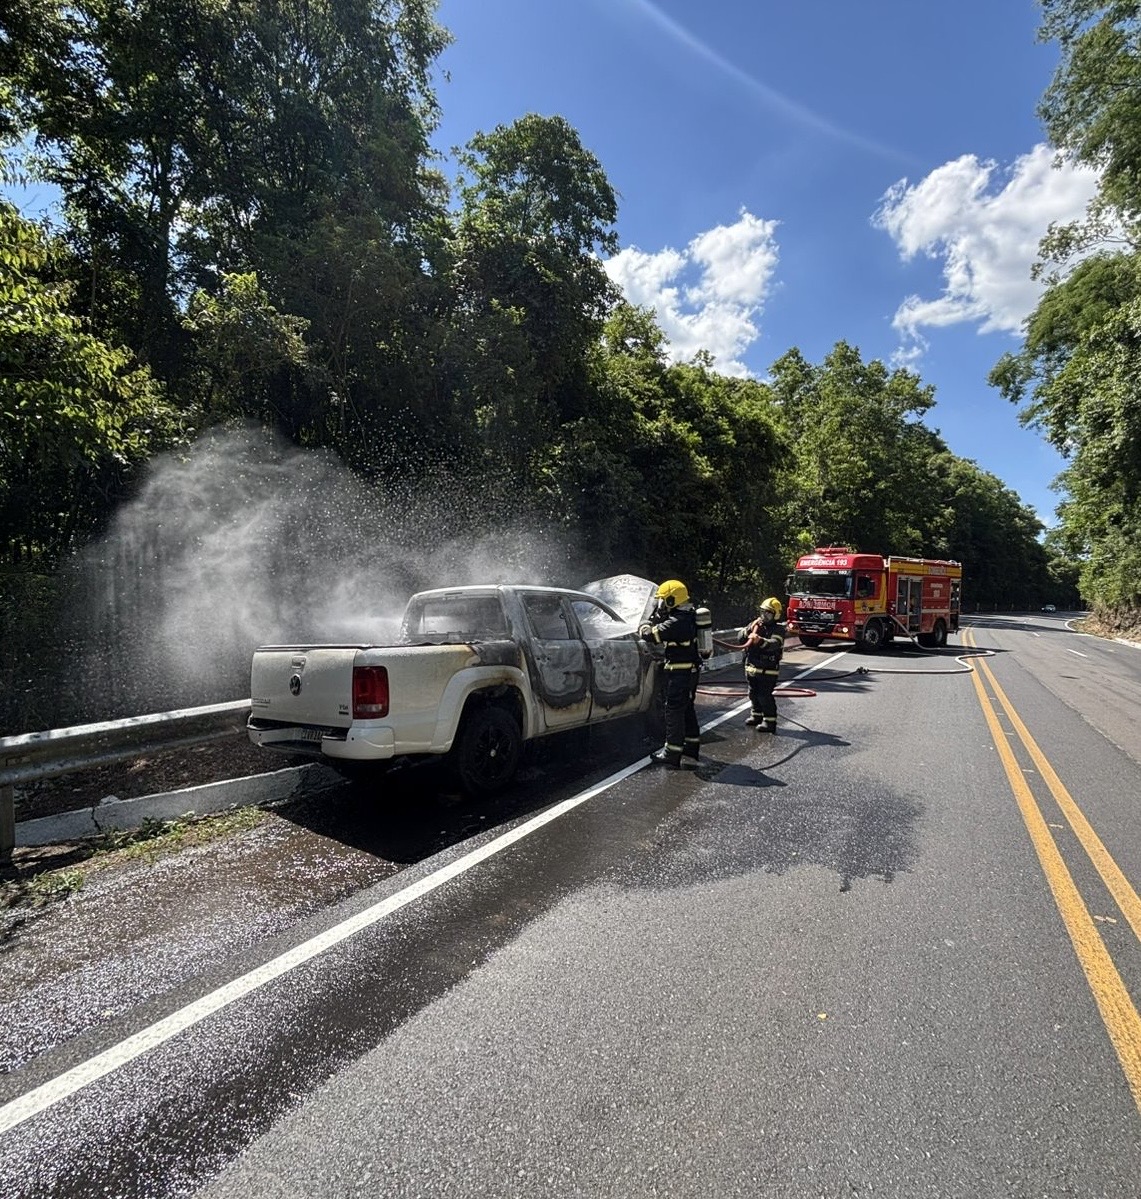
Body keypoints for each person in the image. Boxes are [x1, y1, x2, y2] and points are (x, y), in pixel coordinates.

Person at [639, 579, 701, 768]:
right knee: (687, 708)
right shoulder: (689, 617)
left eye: (664, 600)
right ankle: (691, 745)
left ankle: (671, 753)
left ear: (673, 600)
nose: (661, 605)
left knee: (673, 710)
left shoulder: (676, 623)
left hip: (680, 674)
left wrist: (644, 624)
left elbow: (650, 635)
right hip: (690, 672)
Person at [739, 596, 785, 733]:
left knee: (764, 695)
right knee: (753, 693)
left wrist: (759, 640)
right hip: (752, 667)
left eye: (768, 612)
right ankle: (756, 715)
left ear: (775, 614)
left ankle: (770, 722)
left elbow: (774, 644)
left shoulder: (778, 630)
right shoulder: (755, 625)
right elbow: (739, 638)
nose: (764, 615)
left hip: (768, 669)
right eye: (762, 612)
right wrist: (748, 630)